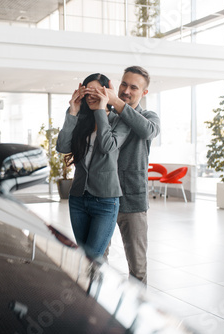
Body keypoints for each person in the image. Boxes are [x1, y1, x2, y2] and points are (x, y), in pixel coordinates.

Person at [56, 73, 130, 260]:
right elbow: (63, 146)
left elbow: (107, 146)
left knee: (93, 260)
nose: (91, 96)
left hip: (105, 201)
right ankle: (88, 290)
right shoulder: (81, 119)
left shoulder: (120, 121)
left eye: (96, 91)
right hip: (78, 199)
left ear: (107, 92)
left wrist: (101, 110)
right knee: (83, 259)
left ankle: (90, 289)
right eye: (87, 91)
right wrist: (72, 111)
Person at [102, 66, 160, 284]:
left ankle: (139, 314)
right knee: (97, 262)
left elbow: (146, 130)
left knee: (138, 269)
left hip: (133, 200)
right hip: (103, 197)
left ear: (144, 93)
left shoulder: (149, 117)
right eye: (123, 84)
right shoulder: (107, 115)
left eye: (133, 87)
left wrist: (117, 103)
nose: (126, 90)